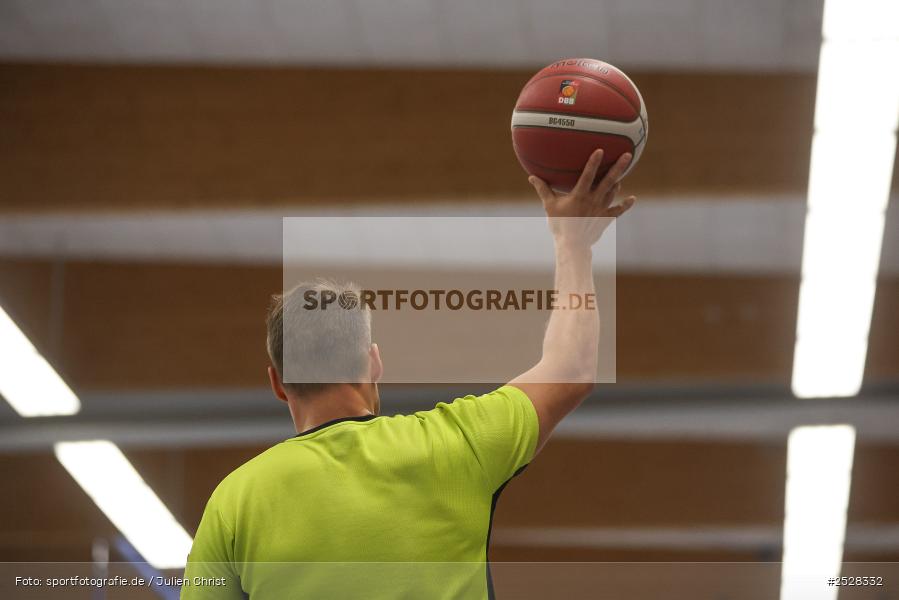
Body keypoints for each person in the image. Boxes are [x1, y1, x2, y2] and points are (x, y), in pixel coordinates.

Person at [181, 149, 636, 599]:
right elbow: (573, 366)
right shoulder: (456, 443)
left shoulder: (234, 502)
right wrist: (572, 242)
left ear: (278, 384)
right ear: (373, 363)